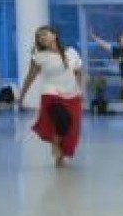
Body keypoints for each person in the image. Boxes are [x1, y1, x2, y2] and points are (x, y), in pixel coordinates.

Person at [18, 26, 84, 168]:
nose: (42, 38)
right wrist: (22, 95)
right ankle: (55, 141)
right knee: (63, 120)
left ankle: (60, 151)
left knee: (71, 127)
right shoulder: (39, 56)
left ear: (54, 35)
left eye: (44, 35)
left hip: (72, 94)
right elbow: (30, 77)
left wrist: (80, 89)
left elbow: (78, 72)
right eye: (39, 37)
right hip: (51, 93)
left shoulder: (71, 52)